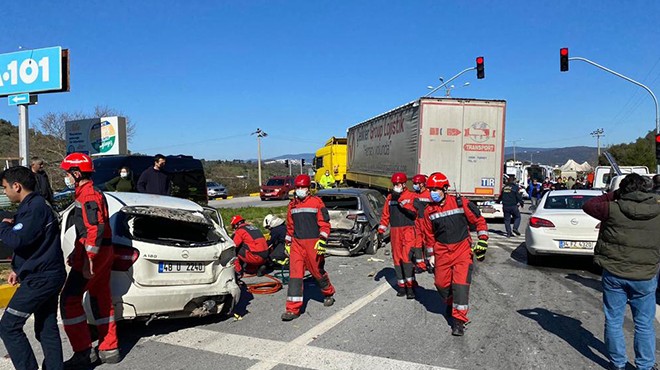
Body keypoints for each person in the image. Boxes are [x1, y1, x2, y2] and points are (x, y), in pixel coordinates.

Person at [583, 173, 660, 370]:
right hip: (645, 274)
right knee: (644, 324)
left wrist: (614, 194)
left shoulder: (611, 208)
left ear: (623, 190)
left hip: (614, 272)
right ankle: (645, 365)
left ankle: (618, 364)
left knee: (614, 320)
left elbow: (589, 204)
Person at [0, 166, 66, 370]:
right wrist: (17, 269)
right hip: (45, 274)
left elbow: (17, 239)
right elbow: (34, 243)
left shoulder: (35, 208)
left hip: (42, 278)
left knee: (9, 326)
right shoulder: (31, 206)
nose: (4, 192)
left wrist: (2, 225)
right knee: (45, 326)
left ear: (16, 186)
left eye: (5, 188)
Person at [59, 153, 120, 368]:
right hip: (100, 253)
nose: (65, 177)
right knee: (100, 298)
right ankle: (109, 348)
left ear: (76, 173)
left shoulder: (88, 195)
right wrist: (78, 252)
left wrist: (88, 259)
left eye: (67, 173)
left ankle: (83, 352)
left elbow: (95, 228)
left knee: (69, 301)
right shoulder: (90, 193)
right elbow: (88, 229)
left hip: (94, 255)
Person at [421, 172, 489, 336]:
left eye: (436, 189)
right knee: (441, 284)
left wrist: (483, 239)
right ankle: (450, 303)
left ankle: (458, 321)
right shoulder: (428, 211)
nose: (433, 192)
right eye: (431, 189)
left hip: (462, 251)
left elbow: (479, 221)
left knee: (460, 286)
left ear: (445, 189)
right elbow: (429, 235)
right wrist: (431, 255)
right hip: (442, 252)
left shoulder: (460, 203)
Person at [281, 174, 335, 321]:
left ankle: (328, 292)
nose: (299, 190)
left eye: (302, 187)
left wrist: (322, 239)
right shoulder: (292, 205)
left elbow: (324, 224)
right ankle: (292, 309)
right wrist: (287, 243)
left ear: (308, 188)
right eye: (297, 187)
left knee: (317, 272)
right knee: (295, 276)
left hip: (313, 244)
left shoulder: (317, 203)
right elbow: (290, 227)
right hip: (297, 244)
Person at [378, 172, 418, 299]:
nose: (396, 186)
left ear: (404, 184)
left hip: (408, 230)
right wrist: (381, 230)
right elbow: (385, 215)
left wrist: (399, 200)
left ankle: (410, 287)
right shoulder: (390, 198)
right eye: (394, 184)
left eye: (398, 184)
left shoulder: (411, 196)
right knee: (397, 259)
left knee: (406, 258)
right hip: (395, 231)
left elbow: (413, 212)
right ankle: (402, 286)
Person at [411, 174, 430, 273]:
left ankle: (429, 263)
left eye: (416, 183)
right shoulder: (414, 194)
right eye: (414, 183)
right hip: (417, 221)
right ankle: (420, 264)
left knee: (428, 243)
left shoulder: (429, 194)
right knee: (417, 243)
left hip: (427, 222)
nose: (414, 185)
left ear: (422, 184)